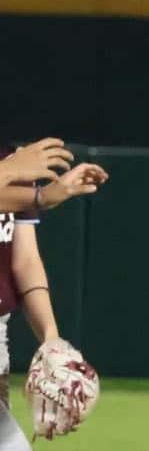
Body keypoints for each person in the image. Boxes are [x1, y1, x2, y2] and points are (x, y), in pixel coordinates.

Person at [0, 143, 109, 448]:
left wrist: (51, 337)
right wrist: (37, 193)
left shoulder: (13, 160)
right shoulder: (15, 164)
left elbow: (25, 261)